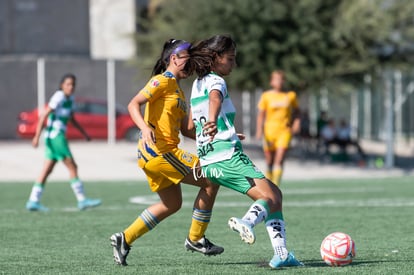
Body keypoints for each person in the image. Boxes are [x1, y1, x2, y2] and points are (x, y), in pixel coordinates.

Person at [189, 34, 303, 269]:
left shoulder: (196, 84)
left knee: (275, 196)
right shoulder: (216, 82)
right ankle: (248, 222)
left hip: (211, 157)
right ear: (215, 58)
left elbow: (194, 125)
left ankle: (281, 253)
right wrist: (213, 120)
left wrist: (224, 130)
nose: (234, 64)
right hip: (226, 157)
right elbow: (215, 100)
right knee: (268, 197)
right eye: (230, 59)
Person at [110, 39, 223, 266]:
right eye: (187, 59)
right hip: (161, 153)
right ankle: (196, 238)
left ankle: (125, 238)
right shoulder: (162, 81)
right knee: (212, 178)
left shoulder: (179, 92)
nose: (190, 65)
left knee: (171, 204)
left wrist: (221, 136)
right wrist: (144, 129)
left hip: (157, 157)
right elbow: (134, 104)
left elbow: (186, 130)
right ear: (175, 58)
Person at [25, 74, 101, 211]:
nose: (71, 87)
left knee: (47, 169)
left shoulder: (70, 99)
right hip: (56, 137)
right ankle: (82, 200)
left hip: (53, 137)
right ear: (62, 85)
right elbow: (44, 115)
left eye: (73, 84)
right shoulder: (58, 97)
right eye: (68, 84)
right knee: (72, 166)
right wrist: (36, 136)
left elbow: (72, 119)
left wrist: (84, 134)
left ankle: (33, 200)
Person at [255, 70, 300, 186]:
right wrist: (259, 131)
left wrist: (296, 124)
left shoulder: (290, 96)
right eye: (276, 79)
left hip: (284, 131)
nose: (279, 82)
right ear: (271, 82)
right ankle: (269, 184)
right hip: (269, 131)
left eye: (281, 79)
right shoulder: (266, 96)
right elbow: (261, 115)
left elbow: (297, 112)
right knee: (269, 160)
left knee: (279, 159)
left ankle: (275, 186)